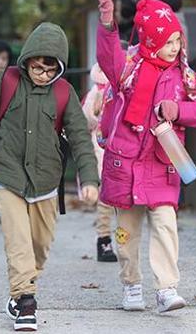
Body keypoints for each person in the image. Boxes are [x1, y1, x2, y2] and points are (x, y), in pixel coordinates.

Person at [0, 22, 99, 332]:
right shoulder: (8, 81)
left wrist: (89, 179)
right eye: (37, 67)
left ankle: (21, 288)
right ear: (27, 60)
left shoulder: (65, 92)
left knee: (40, 244)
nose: (43, 74)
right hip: (6, 171)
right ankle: (26, 302)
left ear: (59, 68)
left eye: (50, 69)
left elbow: (79, 137)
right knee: (18, 241)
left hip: (47, 178)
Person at [91, 0, 196, 313]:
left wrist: (179, 111)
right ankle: (131, 284)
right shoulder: (128, 70)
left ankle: (166, 288)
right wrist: (107, 19)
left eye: (178, 40)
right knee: (126, 233)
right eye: (168, 41)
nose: (175, 47)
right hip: (126, 164)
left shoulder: (184, 76)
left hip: (163, 164)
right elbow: (107, 56)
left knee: (165, 226)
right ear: (150, 40)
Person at [81, 63, 117, 262]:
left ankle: (122, 240)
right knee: (105, 200)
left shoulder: (127, 85)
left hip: (123, 149)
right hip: (101, 149)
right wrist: (95, 114)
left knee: (121, 204)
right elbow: (86, 118)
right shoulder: (96, 91)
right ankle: (104, 240)